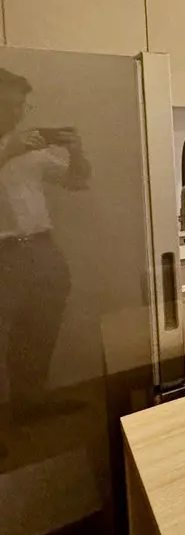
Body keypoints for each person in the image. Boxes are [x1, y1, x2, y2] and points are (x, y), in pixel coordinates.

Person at [0, 67, 90, 461]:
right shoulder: (17, 146)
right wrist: (8, 149)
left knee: (40, 331)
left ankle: (29, 404)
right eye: (12, 104)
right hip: (2, 254)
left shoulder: (32, 147)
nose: (20, 112)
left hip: (41, 249)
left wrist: (76, 150)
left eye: (22, 105)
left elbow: (76, 182)